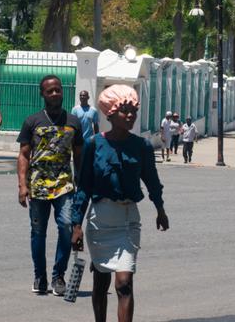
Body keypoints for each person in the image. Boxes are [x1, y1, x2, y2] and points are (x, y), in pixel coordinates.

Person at [71, 84, 169, 322]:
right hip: (100, 221)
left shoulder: (142, 146)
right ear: (110, 113)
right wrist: (76, 225)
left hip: (128, 222)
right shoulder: (94, 144)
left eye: (133, 111)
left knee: (124, 283)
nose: (130, 116)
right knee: (101, 281)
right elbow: (83, 185)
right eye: (124, 111)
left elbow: (152, 181)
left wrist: (160, 209)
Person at [17, 74, 84, 296]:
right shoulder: (32, 121)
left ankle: (58, 276)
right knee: (38, 232)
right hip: (38, 185)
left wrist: (80, 181)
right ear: (42, 94)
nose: (55, 93)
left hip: (64, 184)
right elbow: (24, 155)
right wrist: (22, 185)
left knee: (66, 226)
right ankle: (40, 276)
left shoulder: (74, 121)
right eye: (50, 90)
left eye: (58, 89)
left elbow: (79, 155)